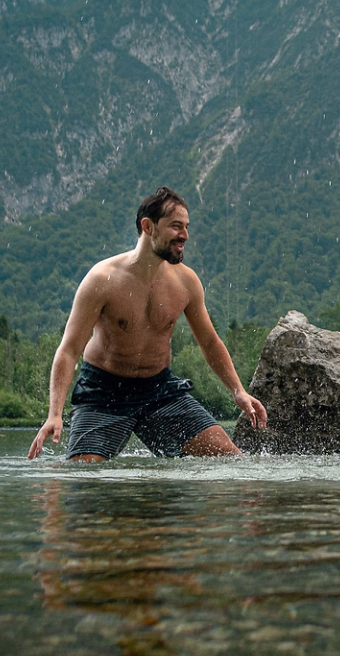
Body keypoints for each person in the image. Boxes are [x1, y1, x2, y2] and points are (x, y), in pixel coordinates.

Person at [26, 187, 267, 462]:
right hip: (103, 393)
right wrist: (54, 414)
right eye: (176, 226)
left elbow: (210, 342)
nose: (185, 236)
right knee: (84, 480)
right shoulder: (102, 279)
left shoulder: (186, 282)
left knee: (231, 461)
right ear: (148, 226)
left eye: (187, 227)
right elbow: (68, 350)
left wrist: (238, 391)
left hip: (160, 391)